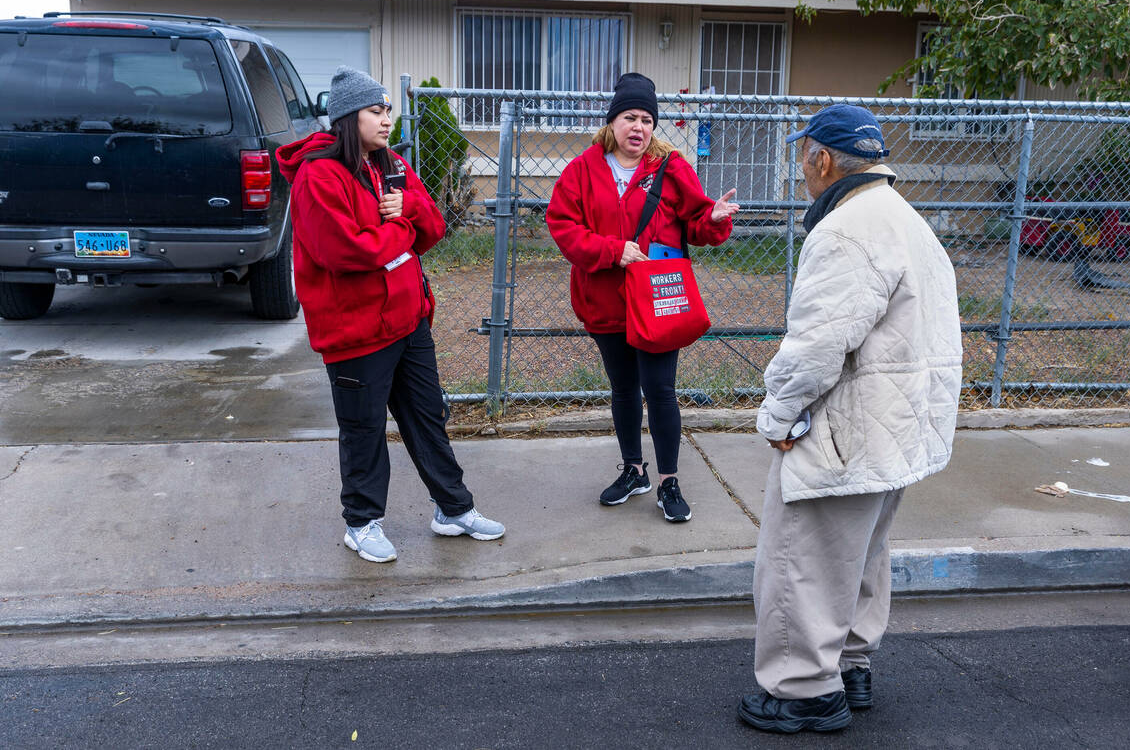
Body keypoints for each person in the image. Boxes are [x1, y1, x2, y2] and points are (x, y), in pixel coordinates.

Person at [738, 104, 963, 733]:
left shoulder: (844, 230)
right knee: (861, 552)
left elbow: (815, 347)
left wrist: (778, 418)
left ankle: (804, 689)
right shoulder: (908, 221)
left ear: (822, 159)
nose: (800, 168)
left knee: (802, 555)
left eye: (802, 155)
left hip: (847, 428)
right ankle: (850, 664)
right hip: (900, 428)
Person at [276, 66, 505, 563]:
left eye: (387, 110)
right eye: (375, 112)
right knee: (363, 431)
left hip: (407, 321)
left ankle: (453, 509)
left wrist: (407, 214)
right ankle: (361, 523)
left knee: (427, 419)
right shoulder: (318, 177)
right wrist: (401, 233)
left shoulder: (391, 166)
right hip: (355, 333)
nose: (386, 121)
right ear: (345, 118)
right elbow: (347, 252)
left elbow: (434, 226)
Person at [546, 72, 739, 522]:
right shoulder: (582, 170)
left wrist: (713, 216)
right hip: (604, 301)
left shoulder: (671, 168)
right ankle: (635, 470)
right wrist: (614, 251)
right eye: (630, 117)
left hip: (656, 302)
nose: (639, 127)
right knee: (623, 390)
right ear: (612, 122)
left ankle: (669, 480)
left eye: (648, 120)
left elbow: (695, 222)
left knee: (660, 388)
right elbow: (564, 227)